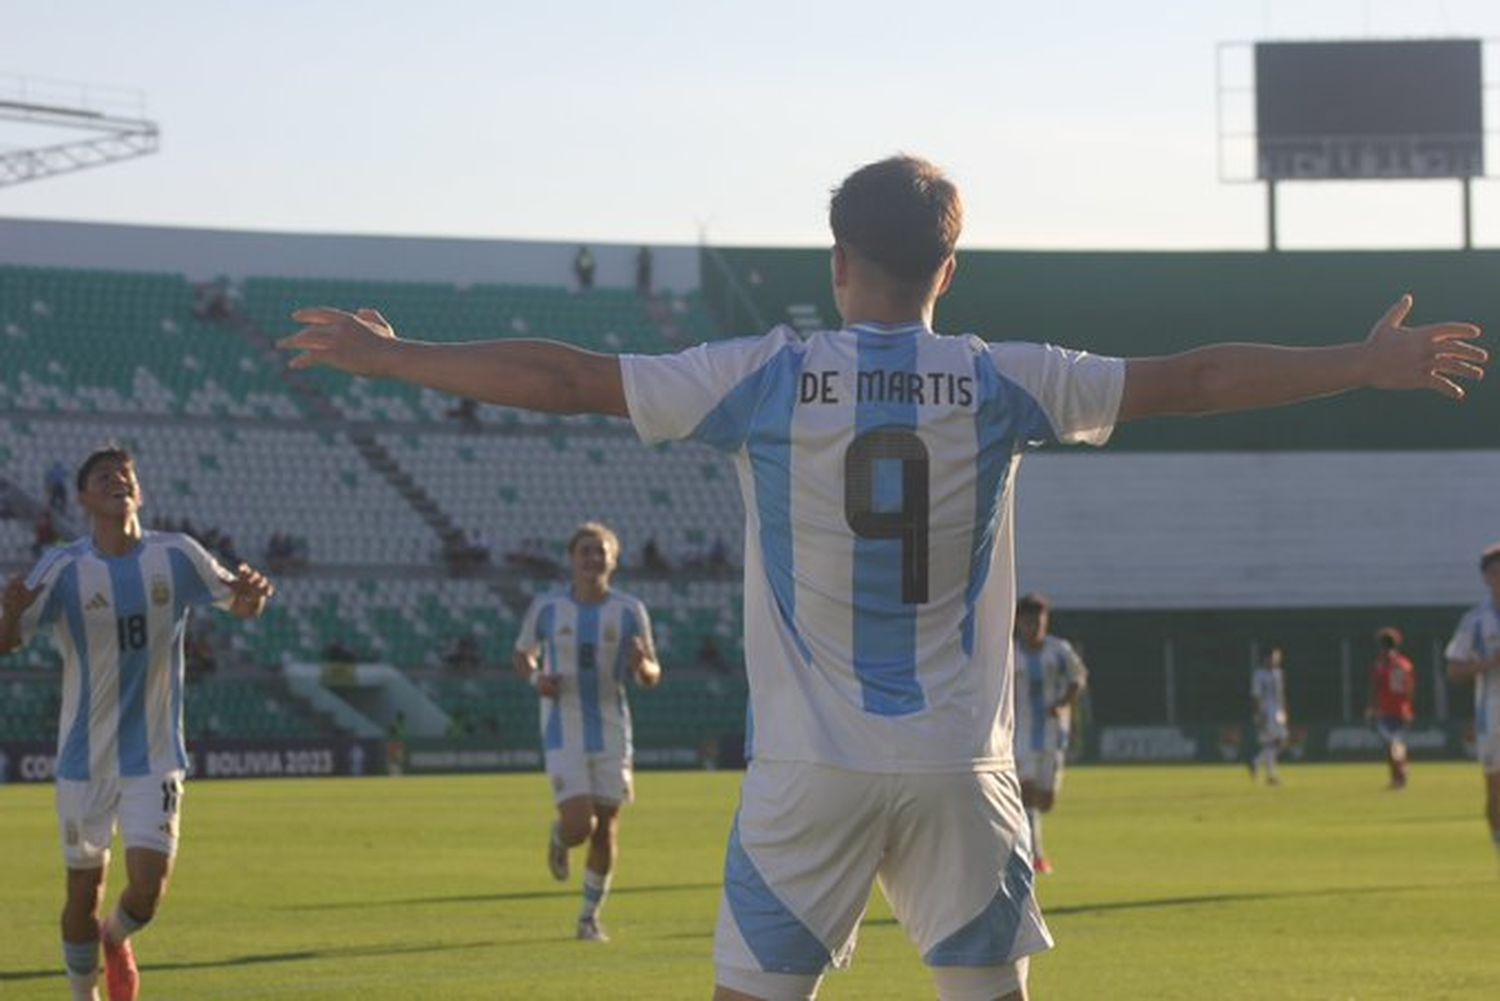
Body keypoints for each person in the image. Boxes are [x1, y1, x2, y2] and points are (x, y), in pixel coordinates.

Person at [279, 154, 1485, 1001]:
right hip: (963, 765)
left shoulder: (762, 374)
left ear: (840, 258)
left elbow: (568, 377)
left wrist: (399, 358)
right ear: (947, 269)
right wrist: (1362, 359)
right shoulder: (1007, 377)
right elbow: (1199, 379)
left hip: (809, 770)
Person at [0, 446, 274, 1001]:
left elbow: (240, 605)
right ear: (83, 498)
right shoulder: (62, 568)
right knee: (83, 890)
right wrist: (9, 612)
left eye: (126, 475)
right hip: (85, 760)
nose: (118, 480)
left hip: (155, 755)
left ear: (139, 493)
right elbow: (5, 643)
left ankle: (116, 938)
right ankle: (85, 996)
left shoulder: (178, 555)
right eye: (103, 476)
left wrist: (252, 598)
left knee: (147, 892)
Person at [512, 521, 661, 942]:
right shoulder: (547, 608)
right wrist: (536, 679)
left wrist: (641, 667)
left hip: (613, 729)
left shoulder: (630, 610)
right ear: (572, 559)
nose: (593, 558)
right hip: (563, 727)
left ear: (613, 560)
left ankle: (589, 917)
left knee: (608, 825)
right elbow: (523, 654)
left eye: (601, 552)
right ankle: (560, 839)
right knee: (581, 825)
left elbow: (653, 672)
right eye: (586, 551)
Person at [1011, 593, 1086, 876]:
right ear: (1019, 622)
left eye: (1038, 621)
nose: (1033, 627)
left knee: (1046, 801)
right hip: (1020, 734)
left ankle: (1031, 848)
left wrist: (1064, 702)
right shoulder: (1010, 653)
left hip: (1054, 735)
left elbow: (1078, 678)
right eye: (1028, 622)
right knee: (1026, 792)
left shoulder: (1059, 650)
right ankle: (1034, 855)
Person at [1443, 542, 1500, 863]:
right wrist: (1489, 664)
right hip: (1492, 714)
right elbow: (1453, 669)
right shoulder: (1475, 621)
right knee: (1495, 789)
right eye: (1496, 572)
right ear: (1486, 578)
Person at [1367, 626, 1416, 789]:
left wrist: (1372, 708)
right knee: (1395, 744)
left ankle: (1400, 775)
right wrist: (1409, 707)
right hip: (1403, 710)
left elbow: (1376, 688)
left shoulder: (1382, 665)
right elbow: (1410, 688)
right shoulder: (1405, 664)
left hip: (1387, 710)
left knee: (1393, 745)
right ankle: (1398, 777)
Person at [1250, 648, 1289, 785]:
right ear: (1266, 659)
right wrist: (1259, 714)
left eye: (1277, 658)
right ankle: (1271, 776)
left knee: (1281, 741)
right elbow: (1256, 696)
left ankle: (1257, 762)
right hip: (1267, 712)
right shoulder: (1259, 675)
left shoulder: (1278, 673)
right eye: (1273, 658)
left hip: (1278, 712)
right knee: (1272, 742)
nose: (1276, 661)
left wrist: (1284, 710)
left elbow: (1281, 694)